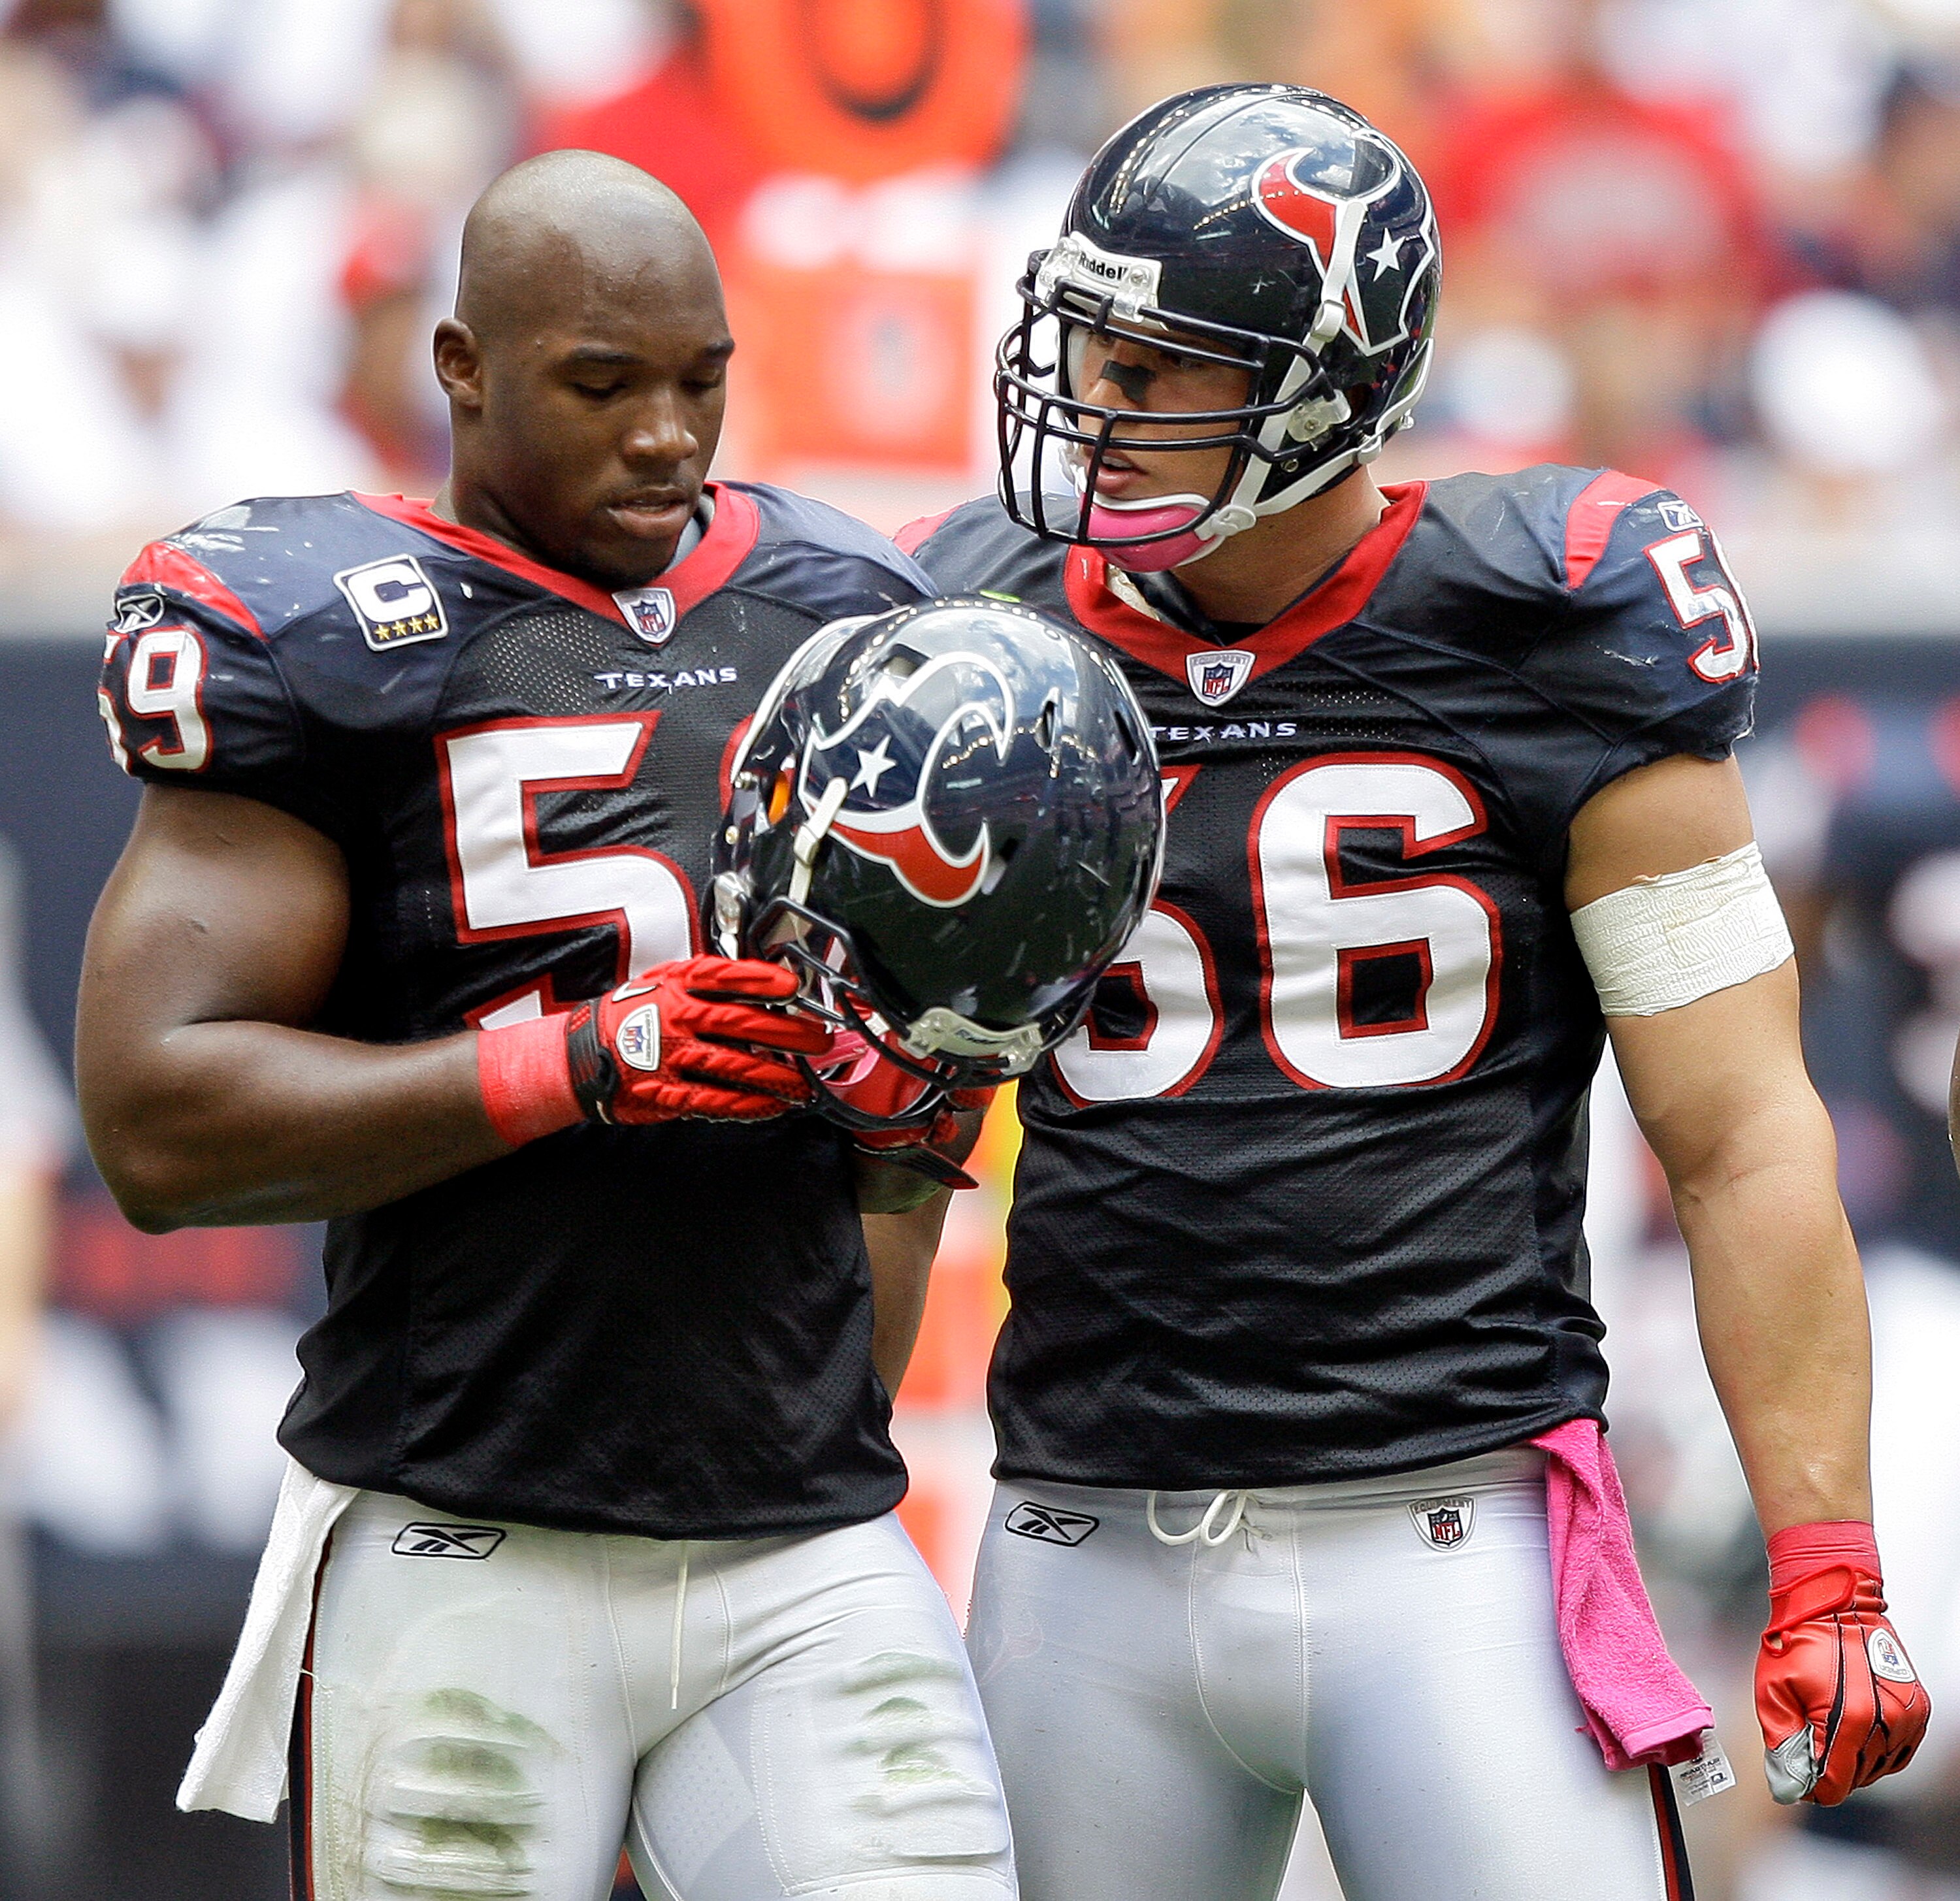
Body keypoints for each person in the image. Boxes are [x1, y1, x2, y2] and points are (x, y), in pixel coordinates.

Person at [902, 84, 1929, 1901]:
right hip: (1079, 1530)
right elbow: (889, 1126)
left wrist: (1826, 1555)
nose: (1098, 415)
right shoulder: (981, 618)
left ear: (1332, 378)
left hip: (1450, 1537)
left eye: (1162, 371)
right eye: (1089, 352)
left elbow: (1742, 1129)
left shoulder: (1561, 619)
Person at [77, 149, 1017, 1901]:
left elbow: (898, 1155)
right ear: (461, 368)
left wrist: (913, 1106)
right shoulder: (315, 636)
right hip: (468, 1534)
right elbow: (157, 1123)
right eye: (602, 384)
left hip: (799, 1537)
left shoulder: (844, 611)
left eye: (699, 379)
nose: (665, 433)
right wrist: (568, 1066)